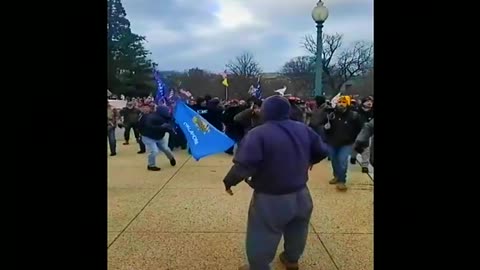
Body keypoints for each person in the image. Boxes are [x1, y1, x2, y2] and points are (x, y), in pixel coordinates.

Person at [223, 95, 329, 270]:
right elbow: (322, 151)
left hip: (270, 197)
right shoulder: (303, 129)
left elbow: (244, 166)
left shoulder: (258, 133)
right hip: (302, 193)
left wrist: (229, 181)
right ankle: (291, 259)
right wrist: (309, 160)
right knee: (298, 229)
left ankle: (259, 266)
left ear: (265, 112)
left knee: (262, 234)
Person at [321, 96, 363, 190]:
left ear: (347, 103)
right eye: (339, 102)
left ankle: (342, 181)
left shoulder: (353, 116)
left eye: (343, 102)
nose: (341, 104)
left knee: (342, 161)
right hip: (332, 142)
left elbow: (360, 128)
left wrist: (357, 140)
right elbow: (319, 123)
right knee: (334, 161)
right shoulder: (331, 115)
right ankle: (336, 176)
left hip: (346, 143)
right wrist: (325, 121)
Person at [138, 105, 177, 171]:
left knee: (166, 149)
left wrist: (172, 130)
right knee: (154, 151)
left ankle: (171, 158)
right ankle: (151, 165)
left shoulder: (168, 118)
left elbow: (169, 128)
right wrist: (161, 127)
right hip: (148, 137)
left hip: (159, 137)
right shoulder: (150, 117)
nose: (168, 112)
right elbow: (148, 126)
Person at [351, 97, 374, 172]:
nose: (369, 103)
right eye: (367, 101)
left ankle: (365, 165)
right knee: (355, 146)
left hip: (367, 133)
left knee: (366, 149)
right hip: (356, 131)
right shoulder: (357, 111)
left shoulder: (372, 112)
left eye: (371, 101)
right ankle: (353, 157)